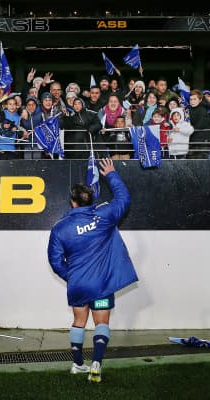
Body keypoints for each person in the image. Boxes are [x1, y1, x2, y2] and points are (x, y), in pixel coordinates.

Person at [48, 158, 138, 384]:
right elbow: (123, 199)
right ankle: (96, 363)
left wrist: (72, 276)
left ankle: (78, 364)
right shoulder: (105, 214)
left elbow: (55, 261)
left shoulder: (60, 227)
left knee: (79, 320)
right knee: (102, 323)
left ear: (73, 202)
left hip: (79, 283)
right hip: (102, 283)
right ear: (91, 199)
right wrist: (111, 174)